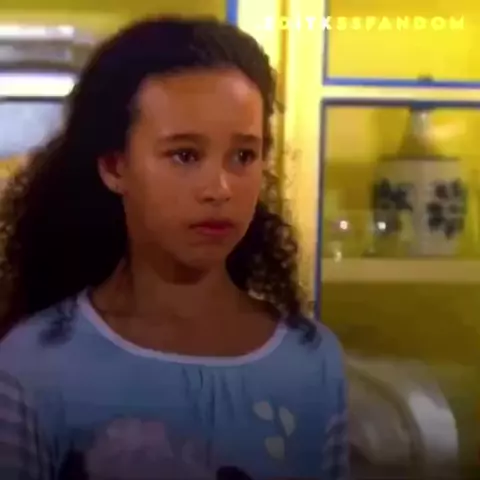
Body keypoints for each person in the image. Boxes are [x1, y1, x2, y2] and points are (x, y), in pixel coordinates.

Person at [0, 16, 348, 480]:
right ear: (115, 166)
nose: (219, 188)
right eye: (185, 155)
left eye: (243, 156)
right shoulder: (35, 365)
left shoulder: (310, 362)